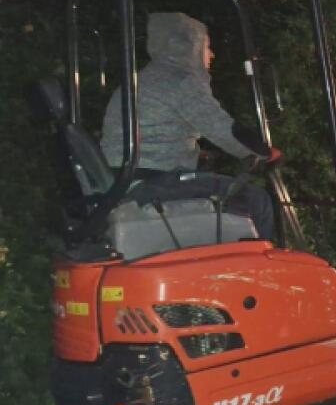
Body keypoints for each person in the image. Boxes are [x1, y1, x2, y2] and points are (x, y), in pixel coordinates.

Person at [100, 12, 279, 240]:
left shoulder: (144, 79)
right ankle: (256, 272)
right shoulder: (180, 81)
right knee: (256, 200)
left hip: (127, 179)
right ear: (188, 46)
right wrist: (262, 152)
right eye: (207, 47)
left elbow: (157, 131)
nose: (212, 55)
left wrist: (194, 153)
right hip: (151, 182)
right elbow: (223, 129)